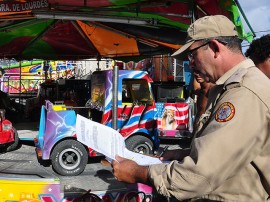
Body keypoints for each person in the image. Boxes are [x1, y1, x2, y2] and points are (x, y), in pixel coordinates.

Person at [112, 15, 270, 201]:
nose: (191, 64)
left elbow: (198, 176)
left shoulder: (243, 92)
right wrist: (183, 153)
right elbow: (233, 153)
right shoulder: (231, 87)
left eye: (192, 55)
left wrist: (138, 172)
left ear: (214, 48)